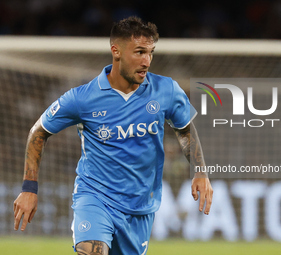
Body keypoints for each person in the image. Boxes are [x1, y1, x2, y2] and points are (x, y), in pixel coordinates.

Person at [13, 16, 213, 255]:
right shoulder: (83, 97)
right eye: (139, 52)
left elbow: (185, 129)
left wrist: (200, 171)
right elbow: (38, 132)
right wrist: (29, 188)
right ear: (116, 51)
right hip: (95, 198)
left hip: (140, 208)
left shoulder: (167, 90)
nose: (147, 61)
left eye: (151, 53)